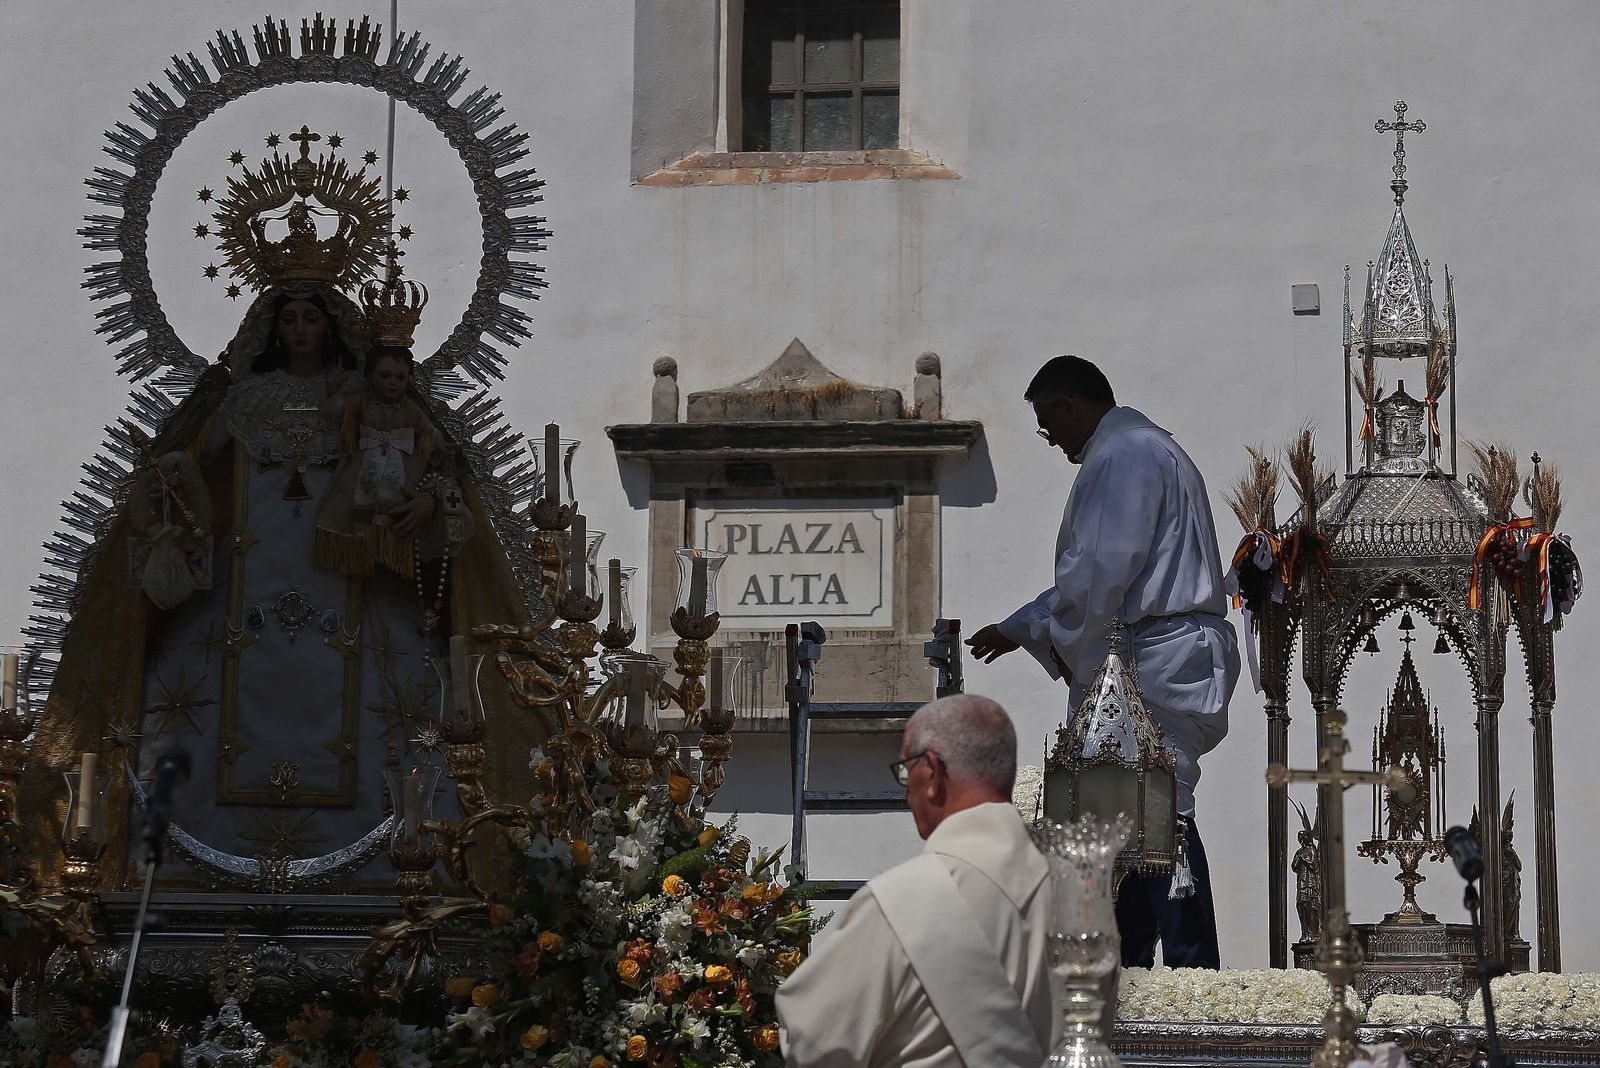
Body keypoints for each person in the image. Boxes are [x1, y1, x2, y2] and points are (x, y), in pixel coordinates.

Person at [967, 354, 1240, 970]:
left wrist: (1036, 631)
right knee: (1133, 823)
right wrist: (1025, 625)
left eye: (1047, 424)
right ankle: (1137, 979)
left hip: (1151, 657)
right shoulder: (1153, 448)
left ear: (1068, 407)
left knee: (1158, 812)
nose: (1051, 439)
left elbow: (1098, 580)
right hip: (1166, 648)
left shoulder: (1122, 456)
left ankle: (1193, 981)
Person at [776, 695, 1056, 1067]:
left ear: (934, 772)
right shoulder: (1080, 894)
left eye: (906, 771)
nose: (905, 791)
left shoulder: (898, 904)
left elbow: (813, 1045)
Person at [315, 345, 440, 577]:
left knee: (394, 515)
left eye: (400, 377)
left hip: (398, 472)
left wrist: (427, 452)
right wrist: (334, 389)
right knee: (354, 513)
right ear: (370, 375)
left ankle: (388, 555)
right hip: (362, 468)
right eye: (385, 375)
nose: (393, 382)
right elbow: (334, 412)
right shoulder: (363, 402)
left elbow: (430, 434)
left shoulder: (411, 410)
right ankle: (355, 555)